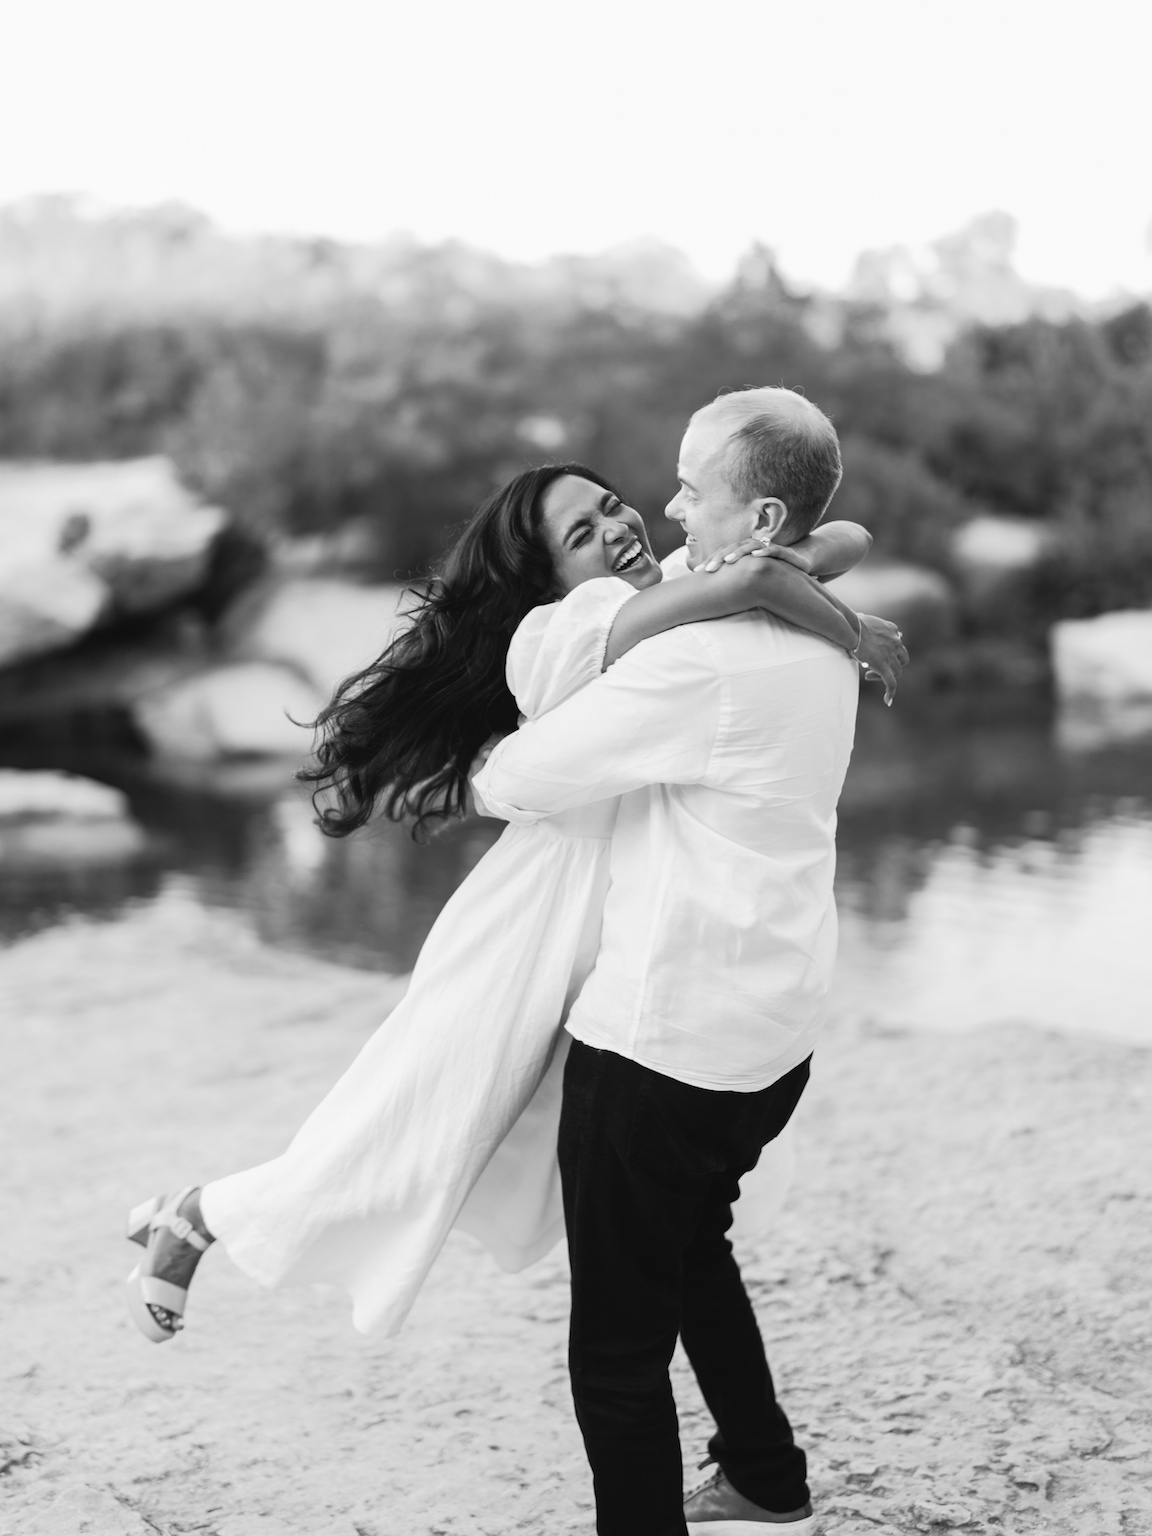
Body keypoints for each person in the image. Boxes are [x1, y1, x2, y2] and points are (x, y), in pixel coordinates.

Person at [124, 455, 902, 1348]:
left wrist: (783, 571)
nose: (618, 529)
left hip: (620, 925)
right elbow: (771, 568)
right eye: (583, 533)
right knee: (420, 1118)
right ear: (549, 576)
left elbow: (843, 537)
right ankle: (196, 1216)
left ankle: (737, 1425)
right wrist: (846, 628)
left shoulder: (678, 582)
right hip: (537, 913)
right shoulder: (572, 625)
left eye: (613, 506)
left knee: (570, 1160)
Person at [473, 389, 903, 1535]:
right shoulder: (818, 624)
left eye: (688, 488)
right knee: (690, 1238)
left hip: (660, 1049)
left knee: (614, 1351)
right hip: (773, 1038)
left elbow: (506, 784)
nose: (663, 507)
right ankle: (765, 1473)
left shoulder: (698, 663)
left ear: (760, 519)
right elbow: (831, 544)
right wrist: (754, 577)